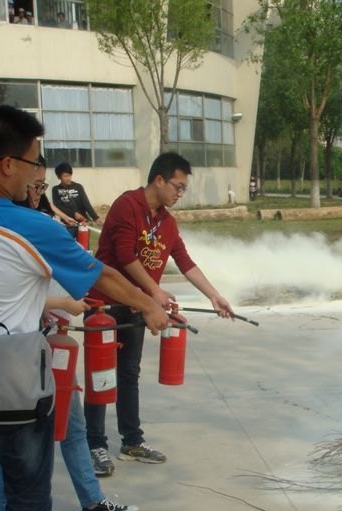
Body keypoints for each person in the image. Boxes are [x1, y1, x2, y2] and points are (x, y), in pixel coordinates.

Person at [0, 105, 168, 511]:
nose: (38, 173)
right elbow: (103, 277)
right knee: (29, 502)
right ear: (8, 164)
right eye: (34, 162)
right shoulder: (34, 226)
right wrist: (151, 306)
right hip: (13, 389)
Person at [85, 152, 233, 476]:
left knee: (128, 373)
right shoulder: (128, 205)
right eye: (178, 187)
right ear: (159, 180)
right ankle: (94, 444)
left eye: (183, 189)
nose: (180, 194)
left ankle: (131, 441)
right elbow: (124, 256)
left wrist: (214, 296)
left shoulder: (167, 222)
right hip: (104, 304)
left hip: (137, 304)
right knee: (101, 374)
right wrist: (154, 292)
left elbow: (184, 261)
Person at [0, 295, 139, 511]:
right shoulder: (33, 256)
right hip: (25, 350)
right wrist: (60, 303)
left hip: (54, 345)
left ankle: (93, 503)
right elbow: (10, 295)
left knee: (74, 429)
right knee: (16, 435)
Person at [51, 161, 102, 237]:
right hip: (67, 226)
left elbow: (86, 203)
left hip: (82, 224)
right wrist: (73, 213)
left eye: (69, 175)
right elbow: (58, 206)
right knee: (69, 247)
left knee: (84, 247)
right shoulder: (55, 189)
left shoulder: (78, 187)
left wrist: (95, 217)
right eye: (65, 176)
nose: (68, 178)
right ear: (59, 177)